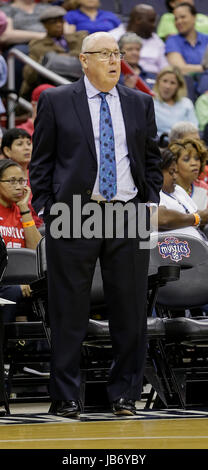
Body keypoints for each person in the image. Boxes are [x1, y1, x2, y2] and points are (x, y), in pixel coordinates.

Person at [30, 31, 162, 417]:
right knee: (69, 310)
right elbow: (41, 164)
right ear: (83, 60)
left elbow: (151, 160)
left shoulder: (140, 102)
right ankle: (66, 396)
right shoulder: (56, 101)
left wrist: (148, 202)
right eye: (103, 53)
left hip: (127, 213)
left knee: (130, 309)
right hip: (73, 214)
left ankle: (124, 394)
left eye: (117, 53)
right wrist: (48, 211)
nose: (113, 60)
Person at [0, 158, 41, 322]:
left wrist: (24, 208)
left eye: (21, 181)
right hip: (4, 282)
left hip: (24, 281)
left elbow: (37, 250)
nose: (18, 186)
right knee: (13, 292)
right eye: (11, 181)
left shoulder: (21, 211)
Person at [20, 6, 86, 100]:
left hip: (78, 80)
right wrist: (47, 60)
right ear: (45, 25)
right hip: (54, 84)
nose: (59, 25)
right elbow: (30, 75)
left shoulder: (78, 37)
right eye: (53, 22)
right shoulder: (37, 45)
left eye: (61, 21)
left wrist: (62, 57)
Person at [157, 148, 208, 241]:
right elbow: (161, 218)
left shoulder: (177, 189)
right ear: (157, 173)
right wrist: (196, 218)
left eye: (176, 172)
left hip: (198, 244)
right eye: (171, 172)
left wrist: (202, 216)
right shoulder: (151, 193)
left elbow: (197, 215)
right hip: (174, 251)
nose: (175, 177)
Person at [1, 128, 43, 227]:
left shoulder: (40, 176)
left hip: (40, 228)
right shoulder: (2, 178)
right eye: (20, 144)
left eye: (29, 143)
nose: (27, 148)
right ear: (7, 150)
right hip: (13, 227)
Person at [111, 4, 168, 75]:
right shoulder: (113, 36)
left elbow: (165, 69)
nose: (154, 25)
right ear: (138, 20)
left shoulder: (157, 40)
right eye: (151, 21)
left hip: (153, 80)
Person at [153, 66, 198, 136]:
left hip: (183, 143)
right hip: (158, 143)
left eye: (172, 83)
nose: (167, 86)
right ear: (158, 82)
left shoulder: (186, 103)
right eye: (164, 81)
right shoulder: (150, 102)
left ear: (178, 86)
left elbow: (194, 128)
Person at [165, 2, 208, 75]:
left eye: (183, 17)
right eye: (176, 19)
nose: (179, 21)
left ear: (194, 17)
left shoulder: (206, 38)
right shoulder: (172, 41)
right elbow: (179, 69)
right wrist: (204, 68)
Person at [169, 137, 208, 210]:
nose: (194, 163)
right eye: (186, 159)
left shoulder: (205, 189)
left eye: (197, 159)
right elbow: (143, 220)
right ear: (174, 165)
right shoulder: (160, 190)